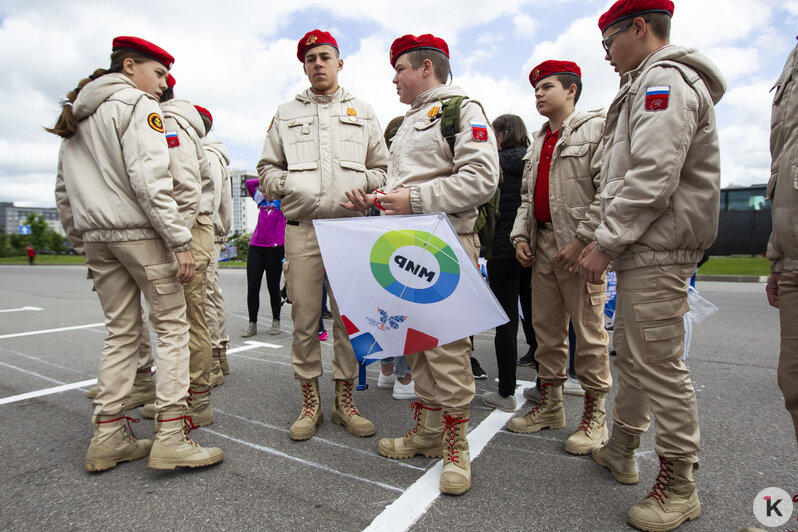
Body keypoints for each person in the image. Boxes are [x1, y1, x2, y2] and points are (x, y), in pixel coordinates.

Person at [579, 2, 725, 529]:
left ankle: (681, 485)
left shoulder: (664, 80)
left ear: (639, 28)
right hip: (648, 243)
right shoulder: (645, 83)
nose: (608, 55)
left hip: (657, 244)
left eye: (608, 43)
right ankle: (622, 447)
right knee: (636, 354)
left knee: (660, 365)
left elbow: (652, 175)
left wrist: (606, 241)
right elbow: (622, 176)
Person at [51, 35, 222, 471]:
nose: (164, 85)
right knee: (171, 328)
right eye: (159, 73)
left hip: (97, 237)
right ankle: (171, 436)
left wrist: (81, 243)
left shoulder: (75, 116)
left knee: (121, 333)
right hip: (141, 234)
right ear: (129, 66)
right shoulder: (137, 105)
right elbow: (150, 181)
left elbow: (63, 193)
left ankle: (107, 434)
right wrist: (179, 240)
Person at [342, 33, 500, 495]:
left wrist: (409, 198)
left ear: (426, 68)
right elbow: (406, 186)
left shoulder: (462, 111)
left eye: (401, 69)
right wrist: (373, 198)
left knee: (448, 347)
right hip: (405, 244)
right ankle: (430, 431)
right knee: (414, 342)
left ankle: (456, 446)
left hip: (445, 243)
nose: (395, 79)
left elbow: (481, 179)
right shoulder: (408, 123)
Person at [258, 29, 388, 441]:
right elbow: (265, 170)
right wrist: (289, 185)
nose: (318, 63)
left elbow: (385, 169)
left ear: (339, 63)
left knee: (349, 321)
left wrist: (362, 184)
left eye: (325, 56)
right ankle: (309, 402)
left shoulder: (363, 111)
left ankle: (344, 402)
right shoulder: (284, 112)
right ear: (304, 65)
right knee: (304, 319)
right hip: (303, 230)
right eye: (311, 57)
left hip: (350, 228)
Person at [506, 61, 610, 458]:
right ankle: (550, 406)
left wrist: (583, 238)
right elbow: (529, 199)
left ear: (571, 90)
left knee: (588, 334)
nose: (538, 93)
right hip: (544, 246)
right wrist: (520, 237)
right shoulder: (537, 141)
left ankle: (595, 416)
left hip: (580, 250)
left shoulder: (596, 128)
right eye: (534, 88)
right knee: (546, 333)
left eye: (546, 86)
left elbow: (607, 189)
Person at [139, 75, 217, 427]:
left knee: (187, 318)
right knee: (179, 317)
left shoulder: (169, 120)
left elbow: (185, 188)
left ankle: (196, 401)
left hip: (187, 229)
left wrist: (177, 240)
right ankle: (182, 395)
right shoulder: (167, 117)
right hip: (184, 229)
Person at [481, 114, 532, 413]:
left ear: (501, 134)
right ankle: (546, 387)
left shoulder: (494, 163)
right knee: (538, 317)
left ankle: (506, 392)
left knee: (506, 321)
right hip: (532, 246)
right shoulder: (534, 161)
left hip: (502, 247)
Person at [766, 36, 798, 446]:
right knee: (793, 385)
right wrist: (778, 260)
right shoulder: (791, 60)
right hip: (793, 260)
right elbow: (783, 171)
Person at [198, 105, 233, 382]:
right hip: (210, 230)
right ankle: (219, 353)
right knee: (210, 291)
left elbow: (208, 199)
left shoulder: (207, 153)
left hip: (205, 229)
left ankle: (212, 358)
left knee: (204, 294)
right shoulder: (209, 151)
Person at [242, 179, 286, 338]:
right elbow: (249, 183)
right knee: (252, 287)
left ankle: (276, 321)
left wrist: (277, 181)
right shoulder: (261, 200)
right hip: (256, 247)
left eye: (267, 190)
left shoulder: (283, 203)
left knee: (272, 287)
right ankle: (252, 323)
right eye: (263, 190)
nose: (264, 192)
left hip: (275, 248)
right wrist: (266, 178)